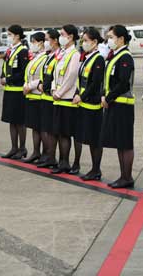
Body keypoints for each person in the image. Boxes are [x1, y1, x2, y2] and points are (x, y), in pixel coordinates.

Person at [101, 25, 136, 189]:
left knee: (125, 142)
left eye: (111, 37)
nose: (109, 40)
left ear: (121, 39)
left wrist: (108, 97)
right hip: (115, 104)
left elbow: (123, 83)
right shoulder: (114, 56)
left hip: (123, 105)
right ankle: (123, 175)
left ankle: (127, 177)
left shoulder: (125, 57)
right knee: (119, 142)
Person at [76, 27, 106, 181]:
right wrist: (78, 94)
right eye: (83, 41)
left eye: (86, 41)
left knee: (95, 140)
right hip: (84, 104)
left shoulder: (98, 59)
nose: (83, 43)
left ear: (94, 42)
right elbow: (81, 80)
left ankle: (96, 169)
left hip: (93, 106)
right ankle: (94, 169)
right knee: (89, 139)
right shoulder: (86, 58)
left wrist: (82, 96)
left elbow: (95, 83)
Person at [51, 25, 82, 174]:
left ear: (70, 37)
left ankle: (65, 162)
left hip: (66, 99)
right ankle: (62, 161)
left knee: (65, 133)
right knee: (59, 132)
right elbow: (55, 73)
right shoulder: (62, 53)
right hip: (58, 97)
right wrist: (53, 89)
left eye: (62, 34)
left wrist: (59, 92)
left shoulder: (74, 54)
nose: (60, 37)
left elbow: (71, 77)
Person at [0, 24, 30, 159]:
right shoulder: (10, 50)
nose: (9, 37)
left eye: (10, 34)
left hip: (18, 91)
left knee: (19, 121)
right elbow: (5, 66)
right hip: (9, 90)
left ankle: (22, 148)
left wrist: (8, 79)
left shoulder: (23, 51)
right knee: (11, 121)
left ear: (17, 36)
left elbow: (23, 72)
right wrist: (2, 76)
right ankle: (14, 147)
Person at [22, 31, 49, 164]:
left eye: (34, 42)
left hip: (39, 97)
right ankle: (36, 152)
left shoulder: (45, 57)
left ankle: (46, 154)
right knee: (34, 127)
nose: (32, 44)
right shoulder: (35, 57)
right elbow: (29, 74)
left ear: (41, 43)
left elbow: (41, 78)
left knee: (42, 127)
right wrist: (25, 85)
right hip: (31, 96)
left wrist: (30, 86)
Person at [35, 29, 60, 169]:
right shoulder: (49, 55)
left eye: (47, 39)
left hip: (51, 97)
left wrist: (45, 87)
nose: (45, 42)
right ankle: (48, 155)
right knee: (45, 129)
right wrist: (40, 84)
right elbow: (45, 74)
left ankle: (51, 156)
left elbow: (55, 76)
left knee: (50, 130)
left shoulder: (58, 56)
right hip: (44, 96)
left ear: (54, 40)